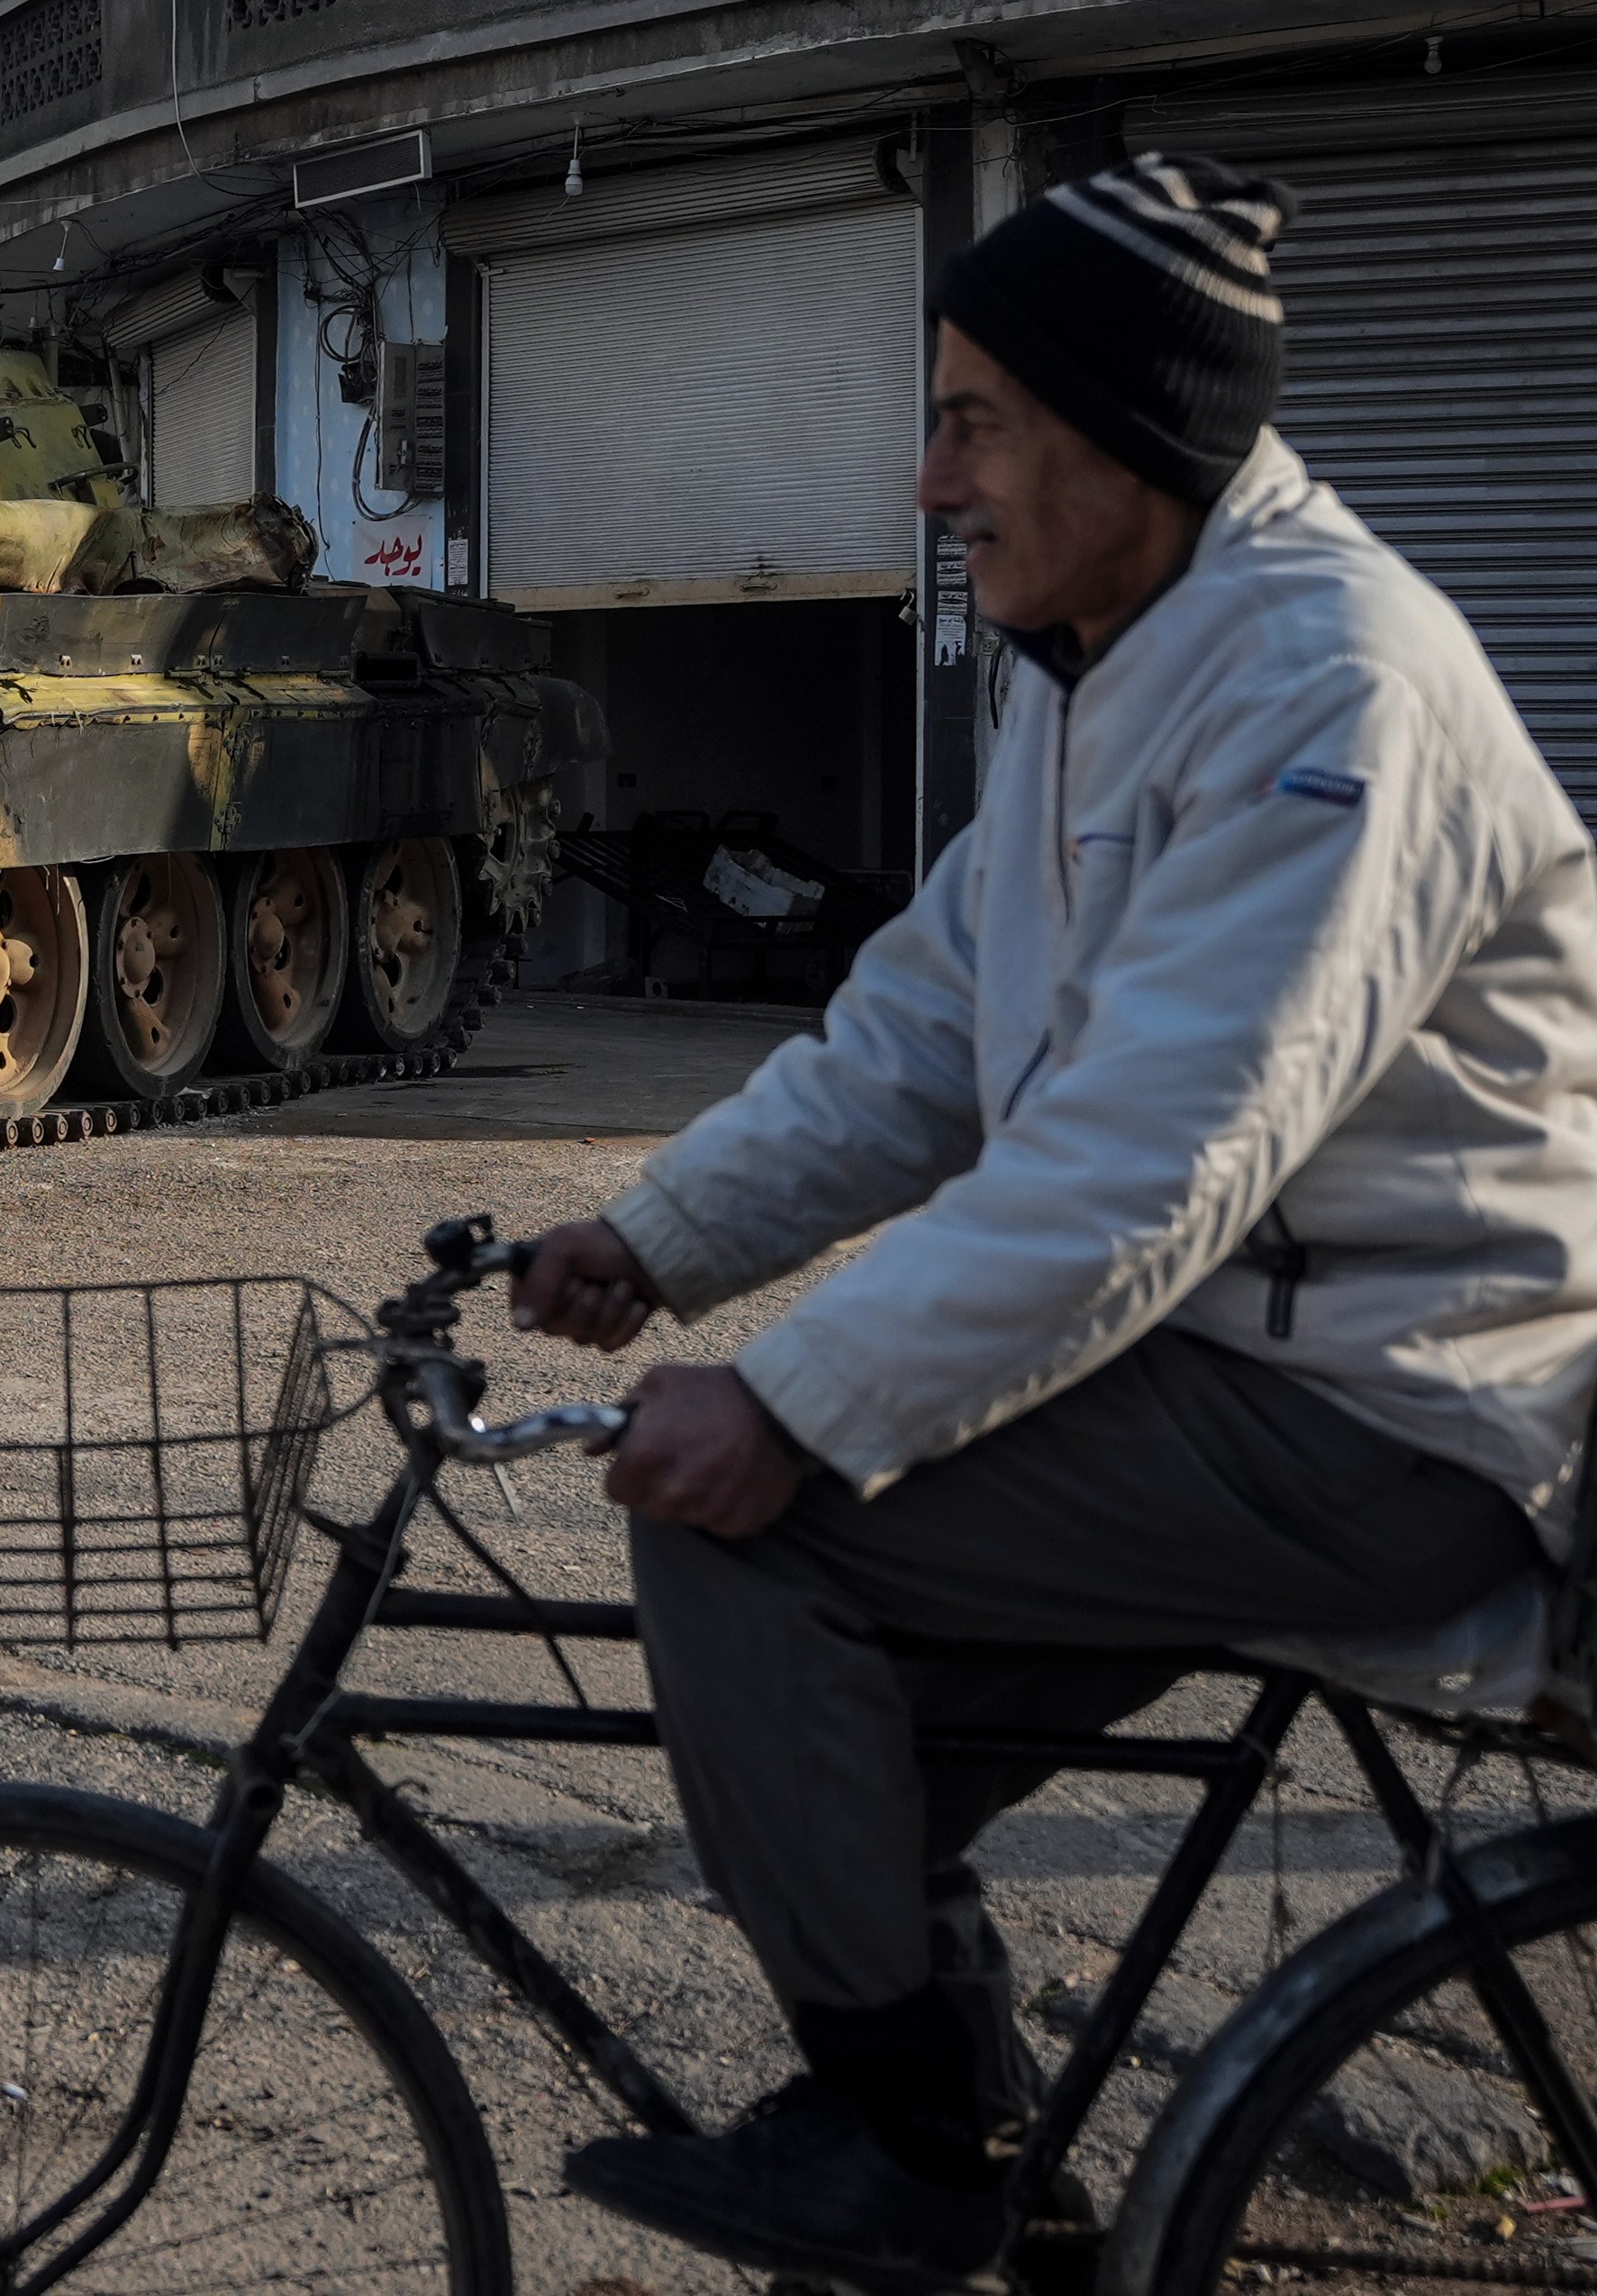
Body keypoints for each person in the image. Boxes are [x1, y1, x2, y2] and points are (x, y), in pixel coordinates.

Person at [510, 149, 1597, 2286]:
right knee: (840, 1728)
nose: (928, 481)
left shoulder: (1326, 682)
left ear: (1137, 436)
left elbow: (1146, 1155)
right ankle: (991, 2160)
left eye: (972, 420)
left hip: (1395, 1404)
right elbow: (927, 1018)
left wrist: (796, 1400)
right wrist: (656, 1230)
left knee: (746, 1523)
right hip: (1248, 1362)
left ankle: (910, 2150)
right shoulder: (1097, 653)